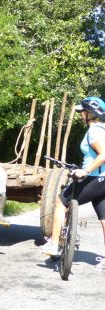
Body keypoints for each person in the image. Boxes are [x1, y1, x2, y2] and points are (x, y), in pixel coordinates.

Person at [40, 96, 105, 273]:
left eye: (82, 112)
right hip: (103, 181)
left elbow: (103, 154)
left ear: (89, 114)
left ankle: (54, 244)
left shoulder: (94, 131)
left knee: (61, 202)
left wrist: (85, 171)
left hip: (93, 178)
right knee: (104, 219)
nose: (80, 115)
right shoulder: (103, 129)